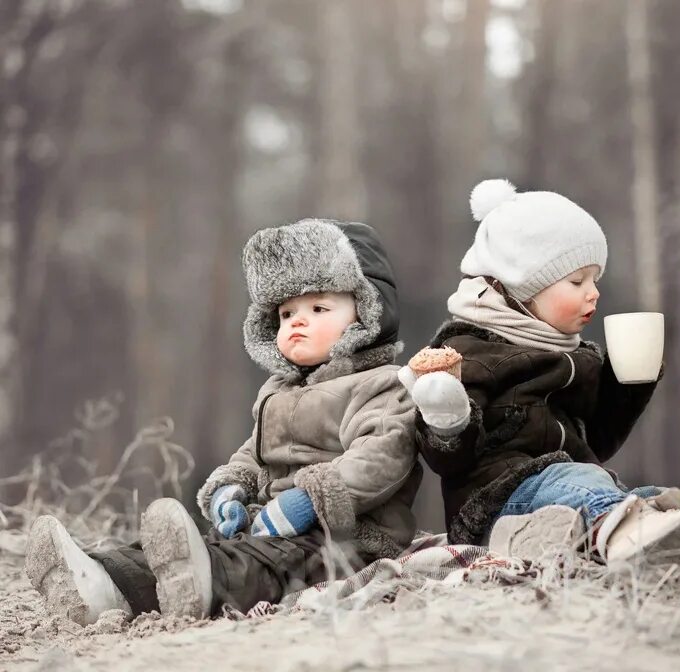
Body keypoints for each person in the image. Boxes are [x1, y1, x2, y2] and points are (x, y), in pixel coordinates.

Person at [26, 218, 421, 625]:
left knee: (262, 562)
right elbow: (256, 452)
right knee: (196, 543)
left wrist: (308, 501)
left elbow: (382, 455)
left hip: (346, 537)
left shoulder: (380, 385)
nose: (297, 322)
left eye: (318, 308)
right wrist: (233, 486)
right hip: (269, 524)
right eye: (286, 314)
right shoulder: (278, 391)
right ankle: (104, 580)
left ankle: (204, 584)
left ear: (367, 316)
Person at [399, 179, 680, 568]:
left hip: (559, 496)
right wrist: (446, 416)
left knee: (645, 492)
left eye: (595, 280)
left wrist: (631, 382)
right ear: (522, 289)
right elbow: (449, 461)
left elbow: (599, 440)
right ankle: (629, 537)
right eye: (577, 281)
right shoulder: (469, 351)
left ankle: (637, 533)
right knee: (591, 485)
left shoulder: (573, 356)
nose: (593, 292)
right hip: (493, 503)